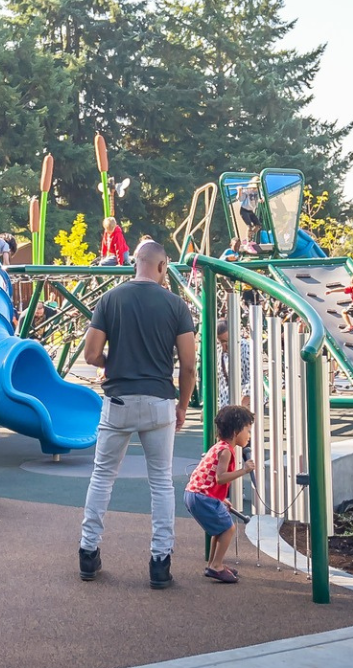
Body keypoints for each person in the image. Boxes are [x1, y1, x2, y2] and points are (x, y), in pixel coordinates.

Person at [78, 240, 198, 589]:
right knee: (161, 482)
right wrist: (183, 405)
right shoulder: (175, 305)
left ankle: (88, 551)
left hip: (118, 400)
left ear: (135, 263)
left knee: (102, 477)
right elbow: (188, 366)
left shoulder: (111, 299)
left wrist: (109, 363)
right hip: (159, 400)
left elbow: (90, 353)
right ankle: (160, 562)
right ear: (162, 266)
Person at [186, 405, 257, 585]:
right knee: (228, 528)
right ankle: (216, 565)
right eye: (247, 430)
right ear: (235, 431)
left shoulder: (219, 446)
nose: (249, 435)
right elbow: (220, 478)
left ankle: (213, 564)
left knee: (219, 529)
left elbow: (209, 477)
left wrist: (221, 499)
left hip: (197, 494)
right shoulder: (226, 451)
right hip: (201, 496)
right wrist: (244, 470)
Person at [214, 320, 253, 406]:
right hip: (226, 403)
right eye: (221, 342)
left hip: (246, 403)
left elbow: (253, 381)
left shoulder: (246, 348)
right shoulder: (219, 351)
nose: (225, 345)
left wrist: (239, 407)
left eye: (227, 341)